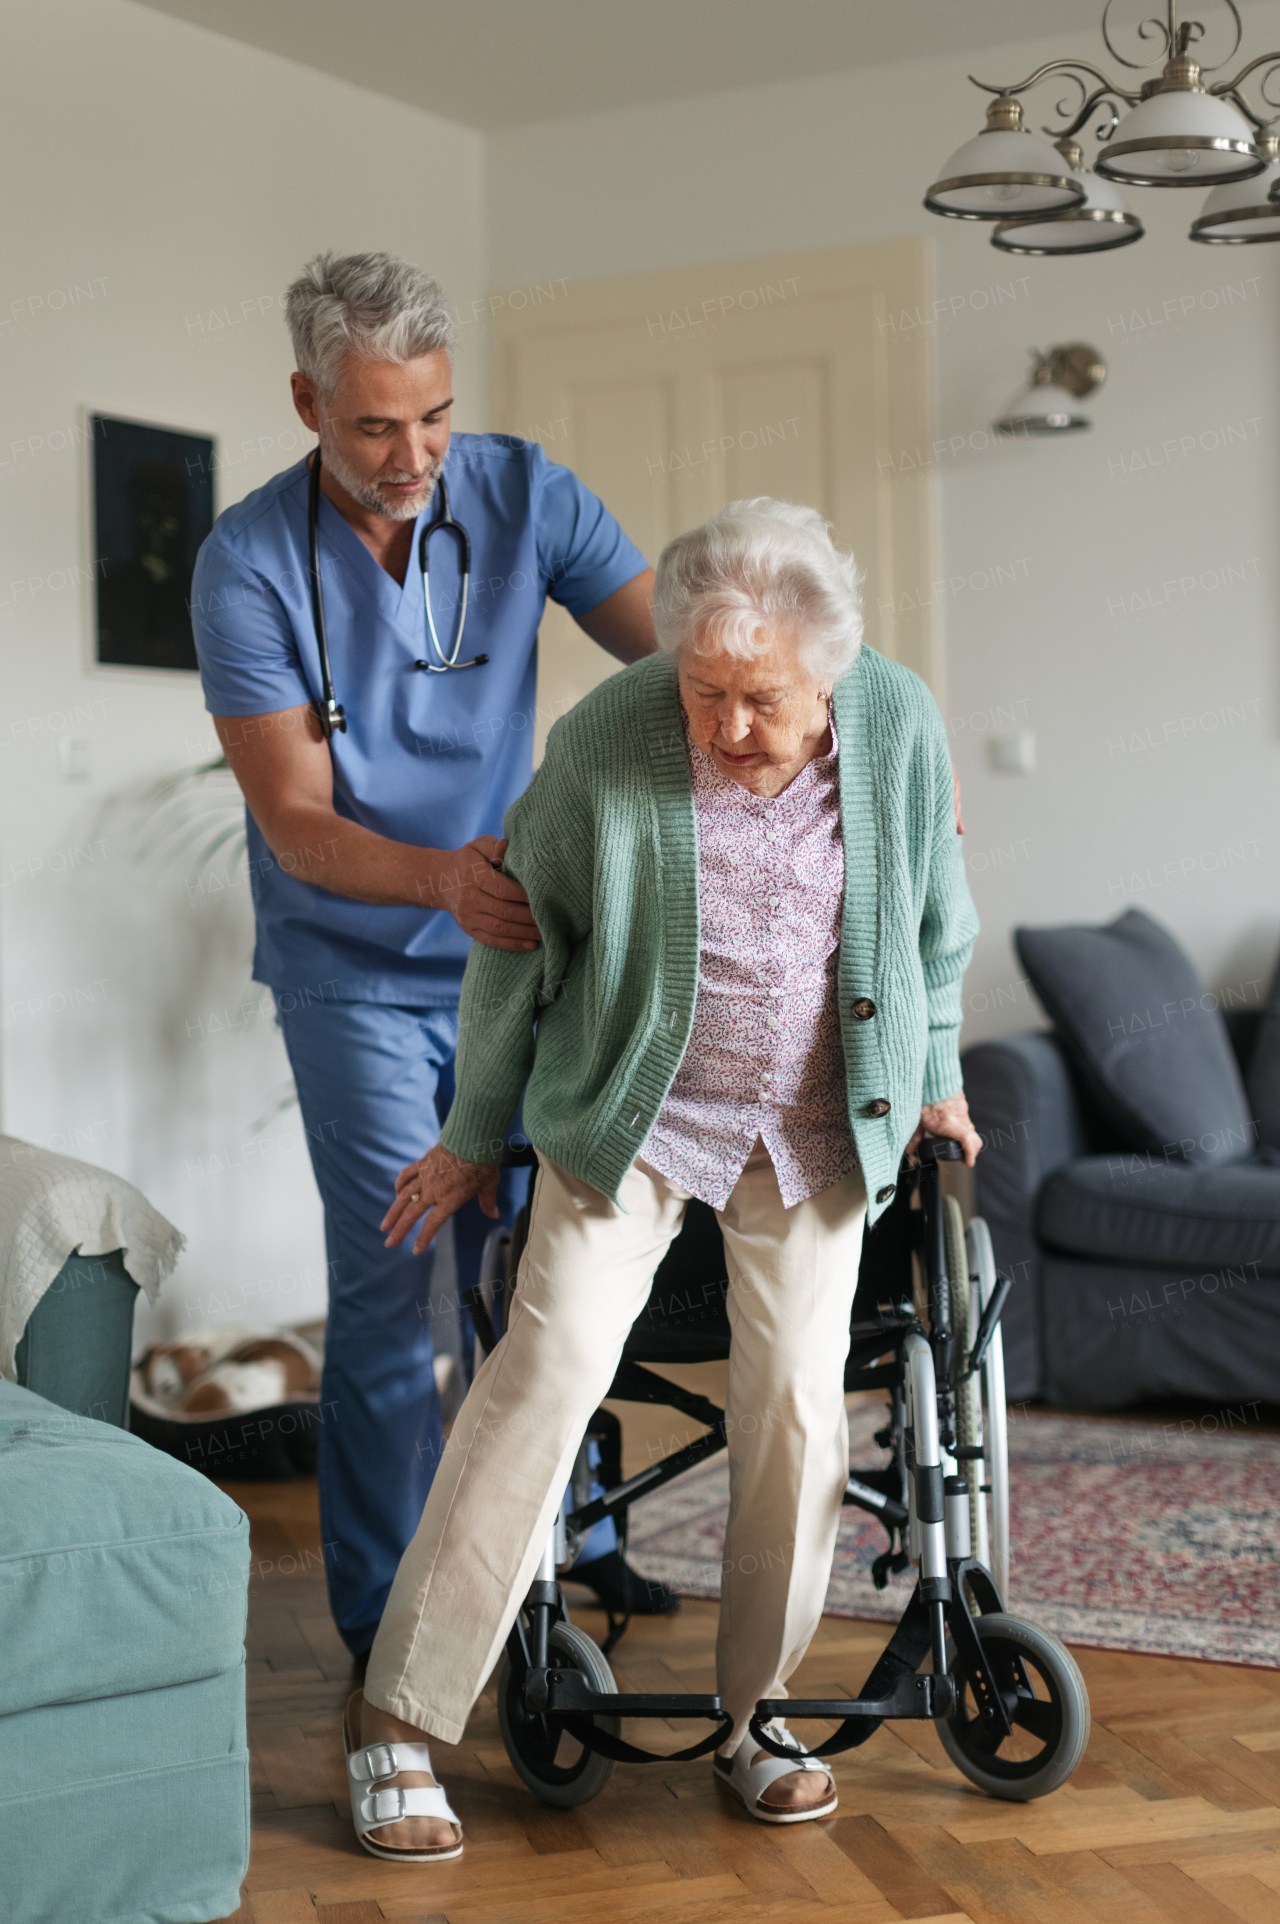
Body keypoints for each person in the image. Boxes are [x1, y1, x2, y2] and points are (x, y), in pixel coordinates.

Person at [340, 497, 982, 1862]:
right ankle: (395, 1716)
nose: (728, 727)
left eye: (761, 697)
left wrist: (940, 1073)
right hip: (632, 1121)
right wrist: (472, 1134)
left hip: (819, 1129)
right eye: (703, 689)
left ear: (831, 673)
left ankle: (761, 1721)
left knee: (802, 1412)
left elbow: (936, 923)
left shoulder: (901, 723)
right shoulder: (609, 739)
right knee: (548, 1367)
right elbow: (517, 941)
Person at [190, 251, 675, 1669]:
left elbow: (688, 664)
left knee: (546, 1263)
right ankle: (386, 1616)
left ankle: (571, 1546)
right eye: (373, 428)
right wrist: (446, 880)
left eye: (434, 418)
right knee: (401, 1283)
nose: (414, 459)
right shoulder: (249, 563)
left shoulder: (528, 494)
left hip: (519, 963)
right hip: (355, 966)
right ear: (306, 403)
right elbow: (291, 819)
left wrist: (868, 731)